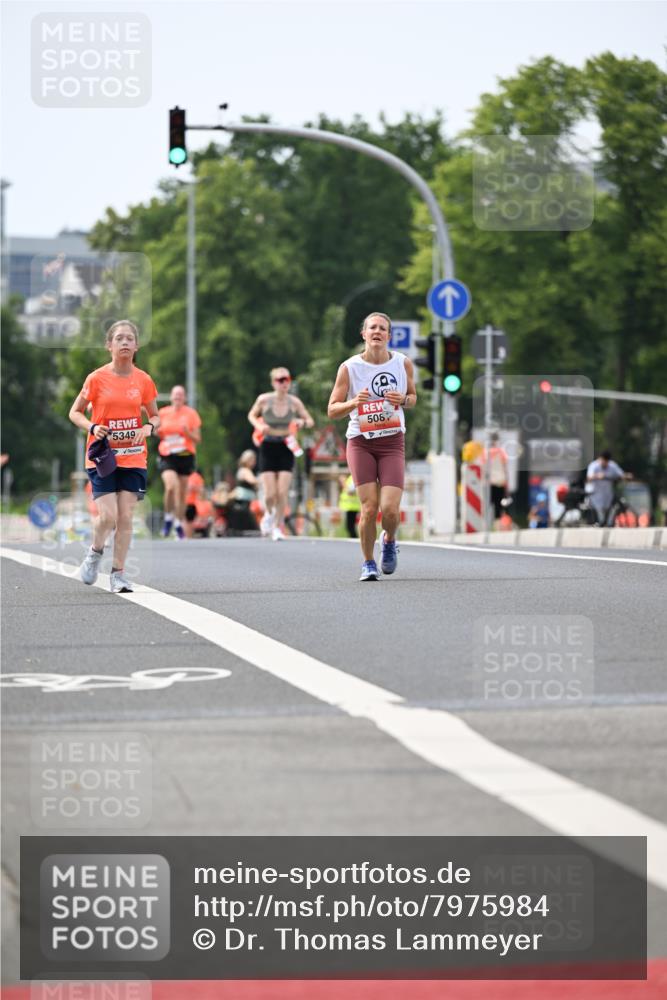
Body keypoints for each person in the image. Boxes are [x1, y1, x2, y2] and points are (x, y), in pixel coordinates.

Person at [69, 320, 159, 593]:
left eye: (129, 338)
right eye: (118, 338)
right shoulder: (96, 378)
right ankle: (95, 553)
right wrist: (93, 427)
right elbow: (74, 412)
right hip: (103, 457)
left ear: (136, 346)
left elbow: (155, 415)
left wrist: (148, 427)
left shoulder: (143, 380)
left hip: (133, 457)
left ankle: (118, 574)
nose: (124, 342)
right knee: (107, 517)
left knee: (125, 517)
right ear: (109, 345)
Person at [328, 312, 416, 581]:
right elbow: (332, 410)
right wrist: (354, 403)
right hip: (361, 442)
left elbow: (413, 398)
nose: (377, 332)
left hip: (391, 442)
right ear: (363, 334)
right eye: (372, 328)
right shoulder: (349, 368)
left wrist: (403, 399)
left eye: (382, 329)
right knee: (368, 508)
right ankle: (368, 563)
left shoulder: (403, 364)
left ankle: (388, 539)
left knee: (389, 509)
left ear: (389, 336)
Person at [247, 367, 314, 541]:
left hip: (286, 446)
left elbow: (310, 420)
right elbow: (252, 415)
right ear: (273, 383)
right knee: (270, 493)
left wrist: (301, 422)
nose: (284, 383)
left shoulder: (294, 402)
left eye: (286, 379)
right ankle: (268, 515)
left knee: (282, 491)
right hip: (268, 445)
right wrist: (259, 426)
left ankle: (278, 526)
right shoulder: (264, 400)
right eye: (279, 380)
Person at [156, 385, 202, 539]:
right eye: (175, 395)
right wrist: (157, 431)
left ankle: (178, 522)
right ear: (171, 397)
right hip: (168, 454)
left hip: (185, 455)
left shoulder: (191, 414)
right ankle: (168, 518)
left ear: (185, 398)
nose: (178, 398)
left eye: (181, 395)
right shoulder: (163, 413)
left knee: (182, 493)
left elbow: (197, 438)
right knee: (170, 487)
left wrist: (187, 432)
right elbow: (156, 431)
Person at [586, 450, 629, 525]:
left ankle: (608, 525)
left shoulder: (612, 465)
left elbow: (621, 474)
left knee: (608, 510)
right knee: (600, 510)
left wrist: (626, 476)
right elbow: (589, 478)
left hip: (607, 493)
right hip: (596, 493)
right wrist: (597, 476)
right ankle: (600, 524)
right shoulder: (594, 465)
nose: (605, 463)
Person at [486, 432, 509, 529]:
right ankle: (497, 526)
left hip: (489, 483)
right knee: (498, 506)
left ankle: (487, 525)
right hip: (500, 481)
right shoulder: (501, 452)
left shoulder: (486, 452)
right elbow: (505, 468)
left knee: (488, 504)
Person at [183, 468, 205, 539]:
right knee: (189, 521)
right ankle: (188, 536)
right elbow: (201, 490)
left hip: (191, 502)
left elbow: (201, 490)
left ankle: (187, 536)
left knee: (188, 521)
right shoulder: (192, 477)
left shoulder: (193, 477)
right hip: (189, 502)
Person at [338, 472, 361, 538]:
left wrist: (343, 482)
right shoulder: (351, 478)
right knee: (350, 527)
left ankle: (355, 540)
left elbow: (350, 491)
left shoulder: (353, 478)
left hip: (352, 507)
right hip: (350, 507)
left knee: (350, 527)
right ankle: (355, 540)